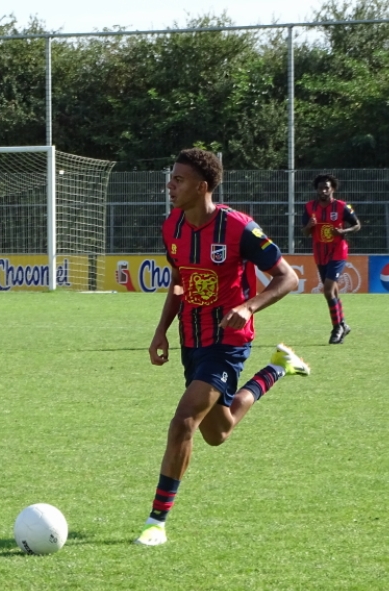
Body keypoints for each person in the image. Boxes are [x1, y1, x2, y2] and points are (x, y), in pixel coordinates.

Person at [136, 148, 311, 547]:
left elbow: (287, 278)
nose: (170, 185)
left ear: (202, 186)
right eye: (171, 177)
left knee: (184, 421)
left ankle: (156, 522)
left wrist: (248, 306)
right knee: (219, 431)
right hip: (191, 341)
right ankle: (278, 367)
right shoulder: (172, 227)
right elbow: (180, 282)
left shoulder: (239, 228)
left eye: (178, 179)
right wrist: (161, 329)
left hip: (228, 343)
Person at [302, 173, 361, 344]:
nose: (323, 191)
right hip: (320, 252)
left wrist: (344, 232)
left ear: (332, 189)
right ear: (317, 190)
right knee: (332, 291)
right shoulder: (309, 207)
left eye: (326, 187)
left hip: (337, 251)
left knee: (328, 289)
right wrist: (309, 226)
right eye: (320, 188)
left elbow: (357, 225)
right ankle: (342, 324)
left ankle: (337, 328)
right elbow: (304, 232)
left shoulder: (342, 207)